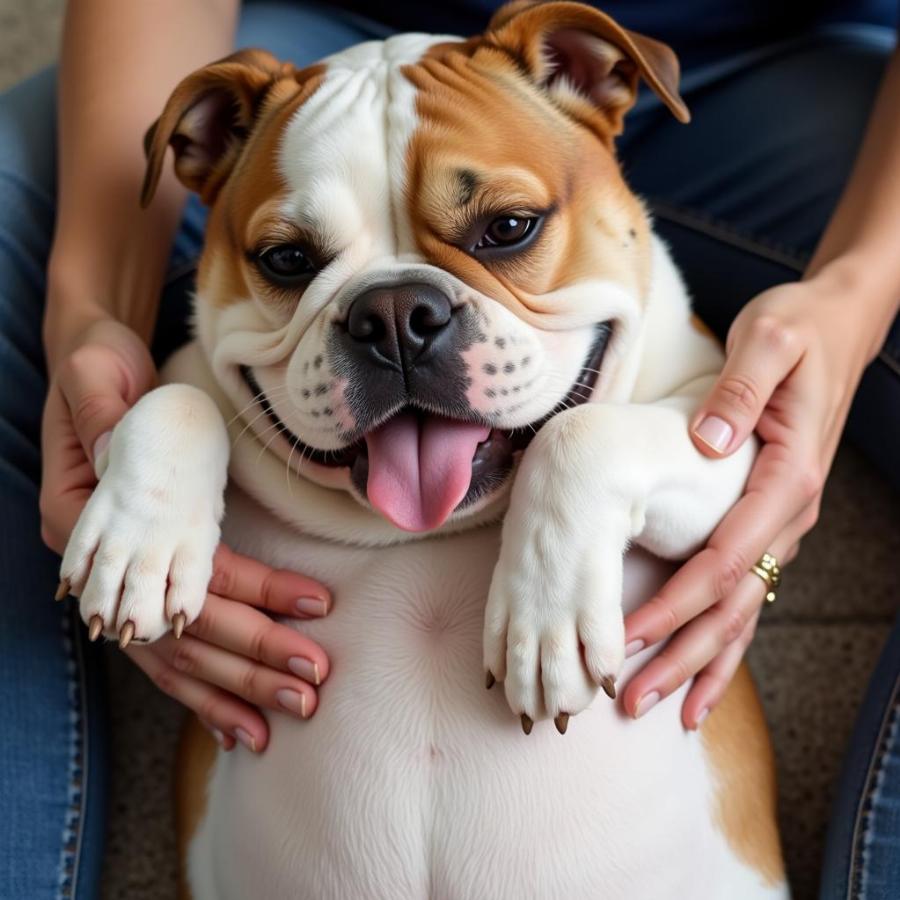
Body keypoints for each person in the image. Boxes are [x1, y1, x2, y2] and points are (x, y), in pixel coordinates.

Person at [0, 0, 896, 896]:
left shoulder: (658, 381)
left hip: (794, 73)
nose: (399, 331)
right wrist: (109, 367)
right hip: (317, 32)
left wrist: (859, 292)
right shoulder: (221, 298)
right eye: (290, 258)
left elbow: (706, 452)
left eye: (501, 231)